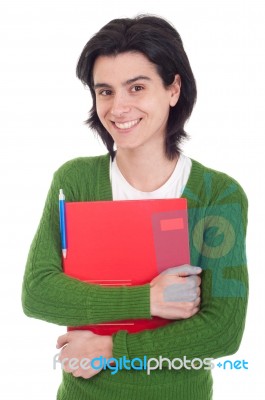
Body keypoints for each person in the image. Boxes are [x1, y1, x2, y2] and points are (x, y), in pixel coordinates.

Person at [22, 15, 248, 400]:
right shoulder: (74, 182)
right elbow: (38, 292)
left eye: (137, 87)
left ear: (173, 88)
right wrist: (148, 300)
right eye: (105, 91)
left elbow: (222, 331)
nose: (118, 107)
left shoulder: (218, 195)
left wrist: (111, 350)